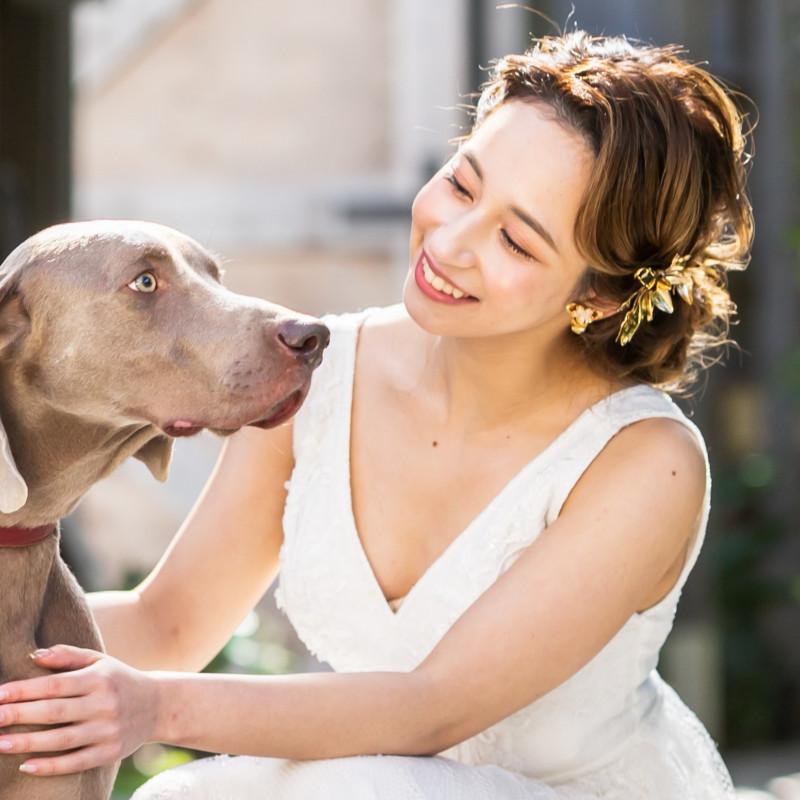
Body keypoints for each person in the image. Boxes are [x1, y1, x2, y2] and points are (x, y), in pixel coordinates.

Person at [0, 30, 752, 799]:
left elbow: (433, 708)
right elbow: (168, 625)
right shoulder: (317, 376)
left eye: (516, 242)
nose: (451, 242)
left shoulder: (646, 462)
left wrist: (151, 707)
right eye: (461, 185)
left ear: (598, 295)